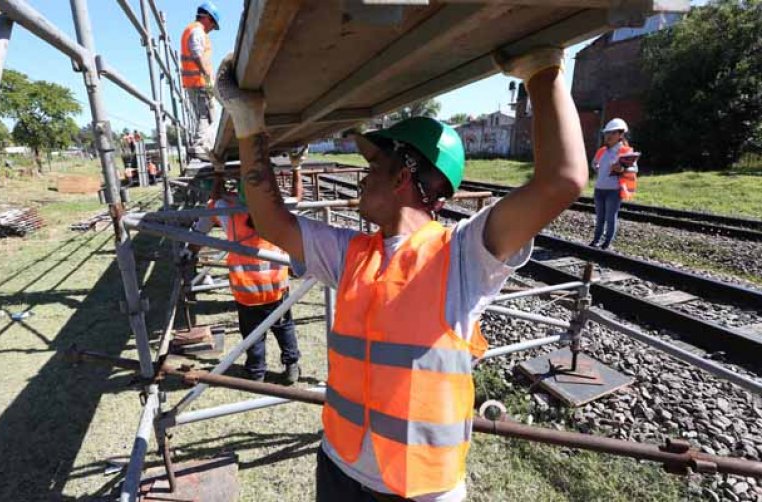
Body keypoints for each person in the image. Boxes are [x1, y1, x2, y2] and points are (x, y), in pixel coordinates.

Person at [215, 46, 587, 501]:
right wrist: (250, 125)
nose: (362, 178)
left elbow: (563, 179)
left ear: (401, 178)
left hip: (419, 489)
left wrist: (542, 71)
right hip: (338, 464)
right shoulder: (354, 252)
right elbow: (274, 222)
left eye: (373, 166)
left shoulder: (463, 254)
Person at [192, 180, 301, 385]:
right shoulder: (275, 212)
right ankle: (291, 366)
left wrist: (218, 172)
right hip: (275, 286)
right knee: (284, 327)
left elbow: (215, 200)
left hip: (247, 289)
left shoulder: (232, 215)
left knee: (253, 332)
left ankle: (256, 371)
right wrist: (297, 168)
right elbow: (297, 198)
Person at [589, 118, 639, 250]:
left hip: (614, 190)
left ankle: (606, 243)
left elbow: (635, 169)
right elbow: (594, 164)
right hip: (599, 189)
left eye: (612, 133)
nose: (608, 136)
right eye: (607, 133)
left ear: (620, 135)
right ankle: (596, 240)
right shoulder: (602, 151)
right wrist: (597, 166)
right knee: (600, 217)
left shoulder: (626, 152)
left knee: (610, 217)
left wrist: (622, 169)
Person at [181, 2, 220, 158]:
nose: (212, 29)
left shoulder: (192, 30)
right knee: (205, 114)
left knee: (207, 115)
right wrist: (206, 74)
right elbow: (196, 52)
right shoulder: (197, 31)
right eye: (213, 25)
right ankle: (199, 147)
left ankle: (206, 145)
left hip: (195, 82)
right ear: (207, 18)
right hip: (199, 81)